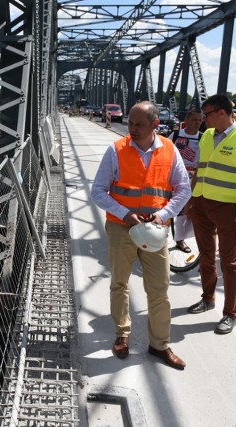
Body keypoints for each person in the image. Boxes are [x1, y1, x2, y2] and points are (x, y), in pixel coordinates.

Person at [92, 101, 191, 370]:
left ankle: (160, 344)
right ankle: (122, 334)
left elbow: (184, 189)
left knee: (159, 290)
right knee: (119, 283)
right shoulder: (116, 150)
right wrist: (124, 213)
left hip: (155, 231)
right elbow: (98, 191)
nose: (132, 129)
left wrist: (163, 214)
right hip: (121, 228)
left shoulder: (169, 150)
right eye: (131, 123)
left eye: (139, 124)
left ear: (155, 125)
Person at [186, 94, 236, 335]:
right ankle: (208, 298)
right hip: (201, 204)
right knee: (206, 256)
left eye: (206, 114)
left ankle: (230, 314)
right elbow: (198, 169)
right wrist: (191, 198)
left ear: (221, 112)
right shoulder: (207, 135)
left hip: (228, 208)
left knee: (229, 263)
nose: (203, 119)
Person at [168, 108, 203, 253]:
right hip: (172, 177)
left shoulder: (203, 138)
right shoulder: (175, 135)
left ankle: (179, 240)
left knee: (183, 210)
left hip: (191, 178)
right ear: (187, 120)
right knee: (164, 207)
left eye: (200, 120)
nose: (197, 123)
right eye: (195, 119)